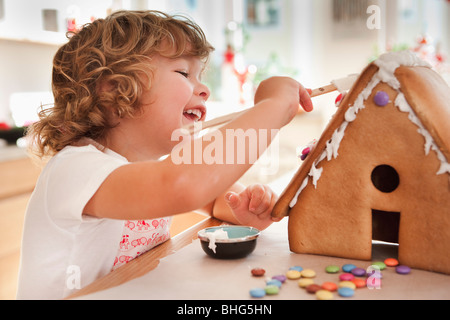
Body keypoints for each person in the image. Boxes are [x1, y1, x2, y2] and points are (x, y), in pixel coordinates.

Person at [16, 10, 313, 299]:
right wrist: (272, 107)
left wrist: (241, 207)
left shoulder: (146, 166)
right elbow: (184, 185)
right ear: (116, 90)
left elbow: (209, 196)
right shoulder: (76, 169)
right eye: (184, 72)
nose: (204, 90)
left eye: (200, 76)